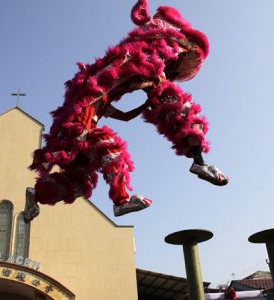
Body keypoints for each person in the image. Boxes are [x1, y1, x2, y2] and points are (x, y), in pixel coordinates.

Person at [26, 0, 228, 222]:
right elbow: (123, 76)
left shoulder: (112, 82)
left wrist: (144, 101)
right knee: (112, 146)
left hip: (80, 124)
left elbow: (121, 113)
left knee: (78, 180)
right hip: (78, 127)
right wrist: (152, 84)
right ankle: (125, 200)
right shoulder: (139, 57)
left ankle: (35, 195)